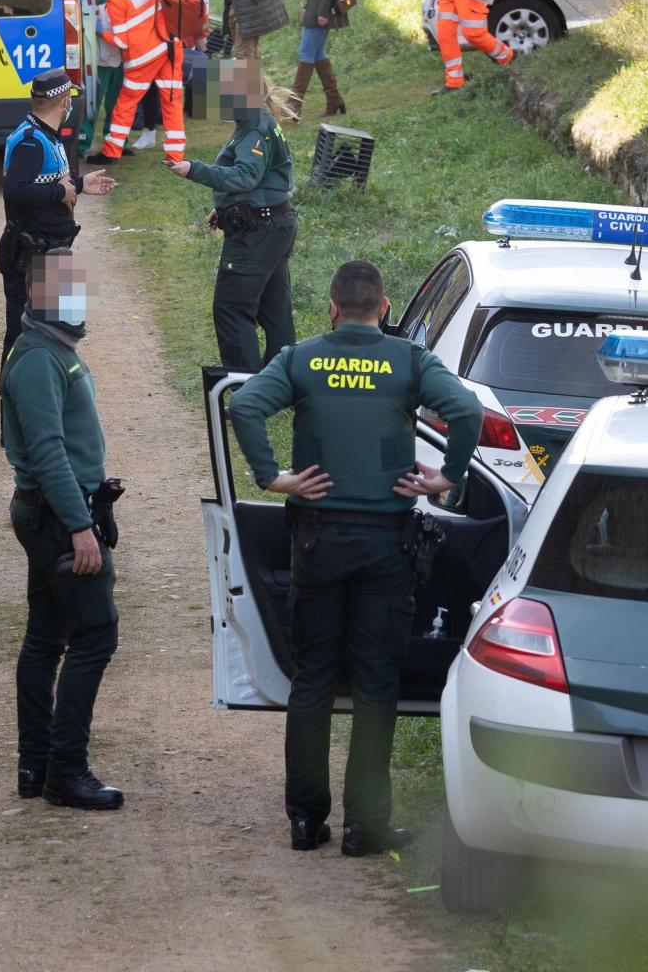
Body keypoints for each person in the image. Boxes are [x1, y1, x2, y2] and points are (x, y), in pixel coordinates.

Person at [229, 260, 484, 857]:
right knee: (375, 686)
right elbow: (466, 412)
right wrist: (446, 477)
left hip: (317, 540)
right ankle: (365, 826)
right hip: (385, 546)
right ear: (386, 307)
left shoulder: (301, 358)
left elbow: (243, 407)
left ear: (333, 308)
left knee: (313, 678)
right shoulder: (409, 362)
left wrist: (273, 477)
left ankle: (304, 819)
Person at [1, 250, 124, 811]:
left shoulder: (53, 350)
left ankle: (37, 765)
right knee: (93, 636)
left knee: (47, 637)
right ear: (39, 298)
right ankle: (64, 771)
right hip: (56, 515)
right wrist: (80, 527)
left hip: (55, 510)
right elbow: (47, 452)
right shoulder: (36, 360)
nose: (78, 302)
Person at [167, 60, 296, 369]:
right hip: (272, 224)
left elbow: (245, 176)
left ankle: (247, 393)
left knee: (231, 309)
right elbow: (261, 180)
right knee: (274, 311)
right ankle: (281, 384)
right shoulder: (254, 120)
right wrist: (224, 208)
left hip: (258, 232)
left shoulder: (254, 127)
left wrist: (193, 170)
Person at [1, 69, 116, 360]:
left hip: (54, 251)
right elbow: (15, 192)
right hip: (32, 255)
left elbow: (49, 184)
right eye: (71, 99)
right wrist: (59, 193)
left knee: (66, 331)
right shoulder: (31, 142)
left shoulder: (46, 135)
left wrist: (79, 185)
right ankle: (15, 398)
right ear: (64, 102)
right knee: (24, 338)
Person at [88, 0, 185, 165]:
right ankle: (176, 156)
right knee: (171, 101)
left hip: (143, 58)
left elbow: (122, 41)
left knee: (126, 103)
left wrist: (102, 32)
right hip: (169, 46)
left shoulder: (115, 0)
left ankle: (111, 152)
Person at [137, 0, 211, 137]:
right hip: (151, 36)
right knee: (149, 84)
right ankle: (148, 130)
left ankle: (174, 131)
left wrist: (200, 35)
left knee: (173, 86)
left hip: (179, 37)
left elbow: (198, 7)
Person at [80, 0, 126, 155]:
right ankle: (83, 143)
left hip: (117, 53)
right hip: (104, 56)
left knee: (115, 101)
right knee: (96, 100)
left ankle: (114, 140)